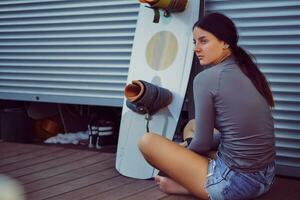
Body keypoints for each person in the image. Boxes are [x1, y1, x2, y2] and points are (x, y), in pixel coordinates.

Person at [138, 12, 276, 200]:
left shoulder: (206, 79)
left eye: (204, 41)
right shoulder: (247, 70)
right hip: (265, 177)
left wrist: (180, 156)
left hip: (234, 184)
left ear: (225, 42)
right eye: (195, 42)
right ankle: (194, 179)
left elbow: (202, 143)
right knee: (192, 125)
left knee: (147, 142)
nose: (196, 48)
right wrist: (187, 145)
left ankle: (187, 186)